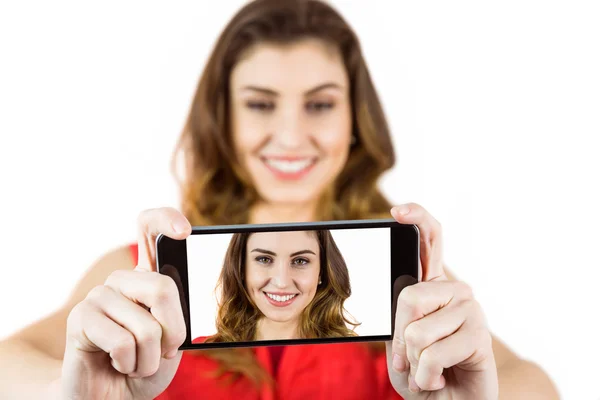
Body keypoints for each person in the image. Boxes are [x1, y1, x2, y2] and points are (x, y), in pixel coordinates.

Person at [0, 0, 559, 399]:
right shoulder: (142, 273)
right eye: (260, 104)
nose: (291, 137)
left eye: (319, 105)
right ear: (224, 119)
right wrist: (64, 392)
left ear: (354, 121)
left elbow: (535, 385)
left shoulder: (406, 280)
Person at [203, 230, 359, 343]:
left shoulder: (364, 356)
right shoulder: (192, 356)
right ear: (241, 268)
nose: (282, 282)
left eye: (300, 261)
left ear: (321, 272)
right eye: (264, 259)